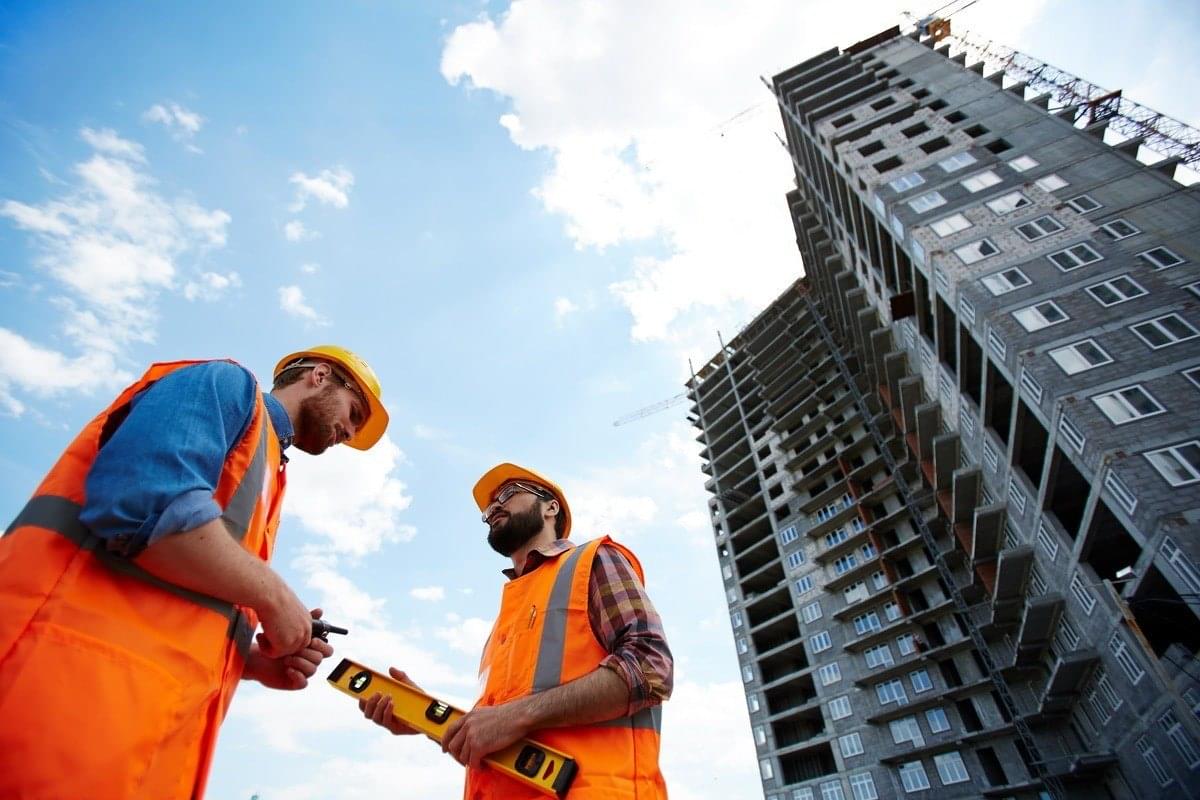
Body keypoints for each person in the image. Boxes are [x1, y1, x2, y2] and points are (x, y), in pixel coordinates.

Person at [0, 345, 390, 799]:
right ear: (319, 376)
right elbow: (142, 505)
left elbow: (177, 596)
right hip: (53, 707)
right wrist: (275, 597)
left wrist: (250, 661)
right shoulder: (227, 385)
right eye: (354, 412)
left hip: (135, 743)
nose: (350, 432)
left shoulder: (267, 472)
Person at [360, 463, 672, 799]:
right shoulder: (504, 625)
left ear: (550, 507)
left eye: (507, 494)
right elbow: (497, 733)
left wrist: (517, 716)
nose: (494, 508)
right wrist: (423, 716)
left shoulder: (591, 561)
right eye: (488, 508)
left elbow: (649, 667)